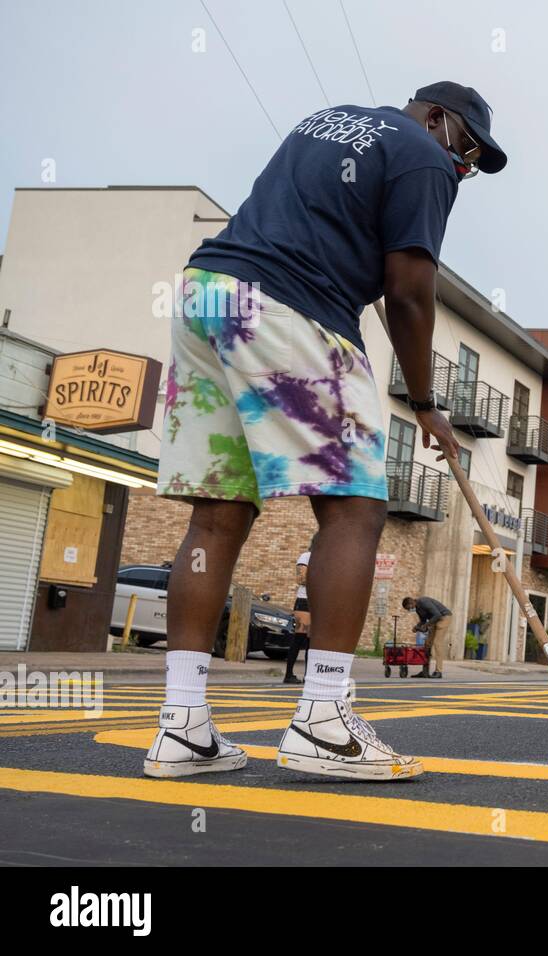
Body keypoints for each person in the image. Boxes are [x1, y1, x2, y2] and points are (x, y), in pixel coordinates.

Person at [143, 82, 505, 781]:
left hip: (208, 294)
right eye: (466, 152)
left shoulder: (324, 121)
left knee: (218, 515)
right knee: (356, 507)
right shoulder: (422, 156)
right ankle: (323, 720)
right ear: (436, 119)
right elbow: (408, 289)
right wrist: (426, 400)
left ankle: (182, 728)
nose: (461, 171)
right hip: (288, 307)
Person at [284, 537, 315, 684]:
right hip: (304, 601)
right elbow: (300, 578)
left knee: (311, 642)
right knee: (299, 639)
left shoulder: (324, 559)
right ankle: (288, 675)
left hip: (317, 602)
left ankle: (308, 676)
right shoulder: (306, 556)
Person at [404, 595, 452, 678]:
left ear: (412, 602)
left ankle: (438, 672)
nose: (409, 610)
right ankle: (425, 671)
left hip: (444, 617)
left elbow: (437, 614)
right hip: (435, 620)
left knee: (437, 643)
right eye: (408, 609)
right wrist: (417, 627)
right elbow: (423, 620)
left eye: (409, 608)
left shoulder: (423, 602)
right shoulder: (418, 609)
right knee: (427, 644)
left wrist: (426, 625)